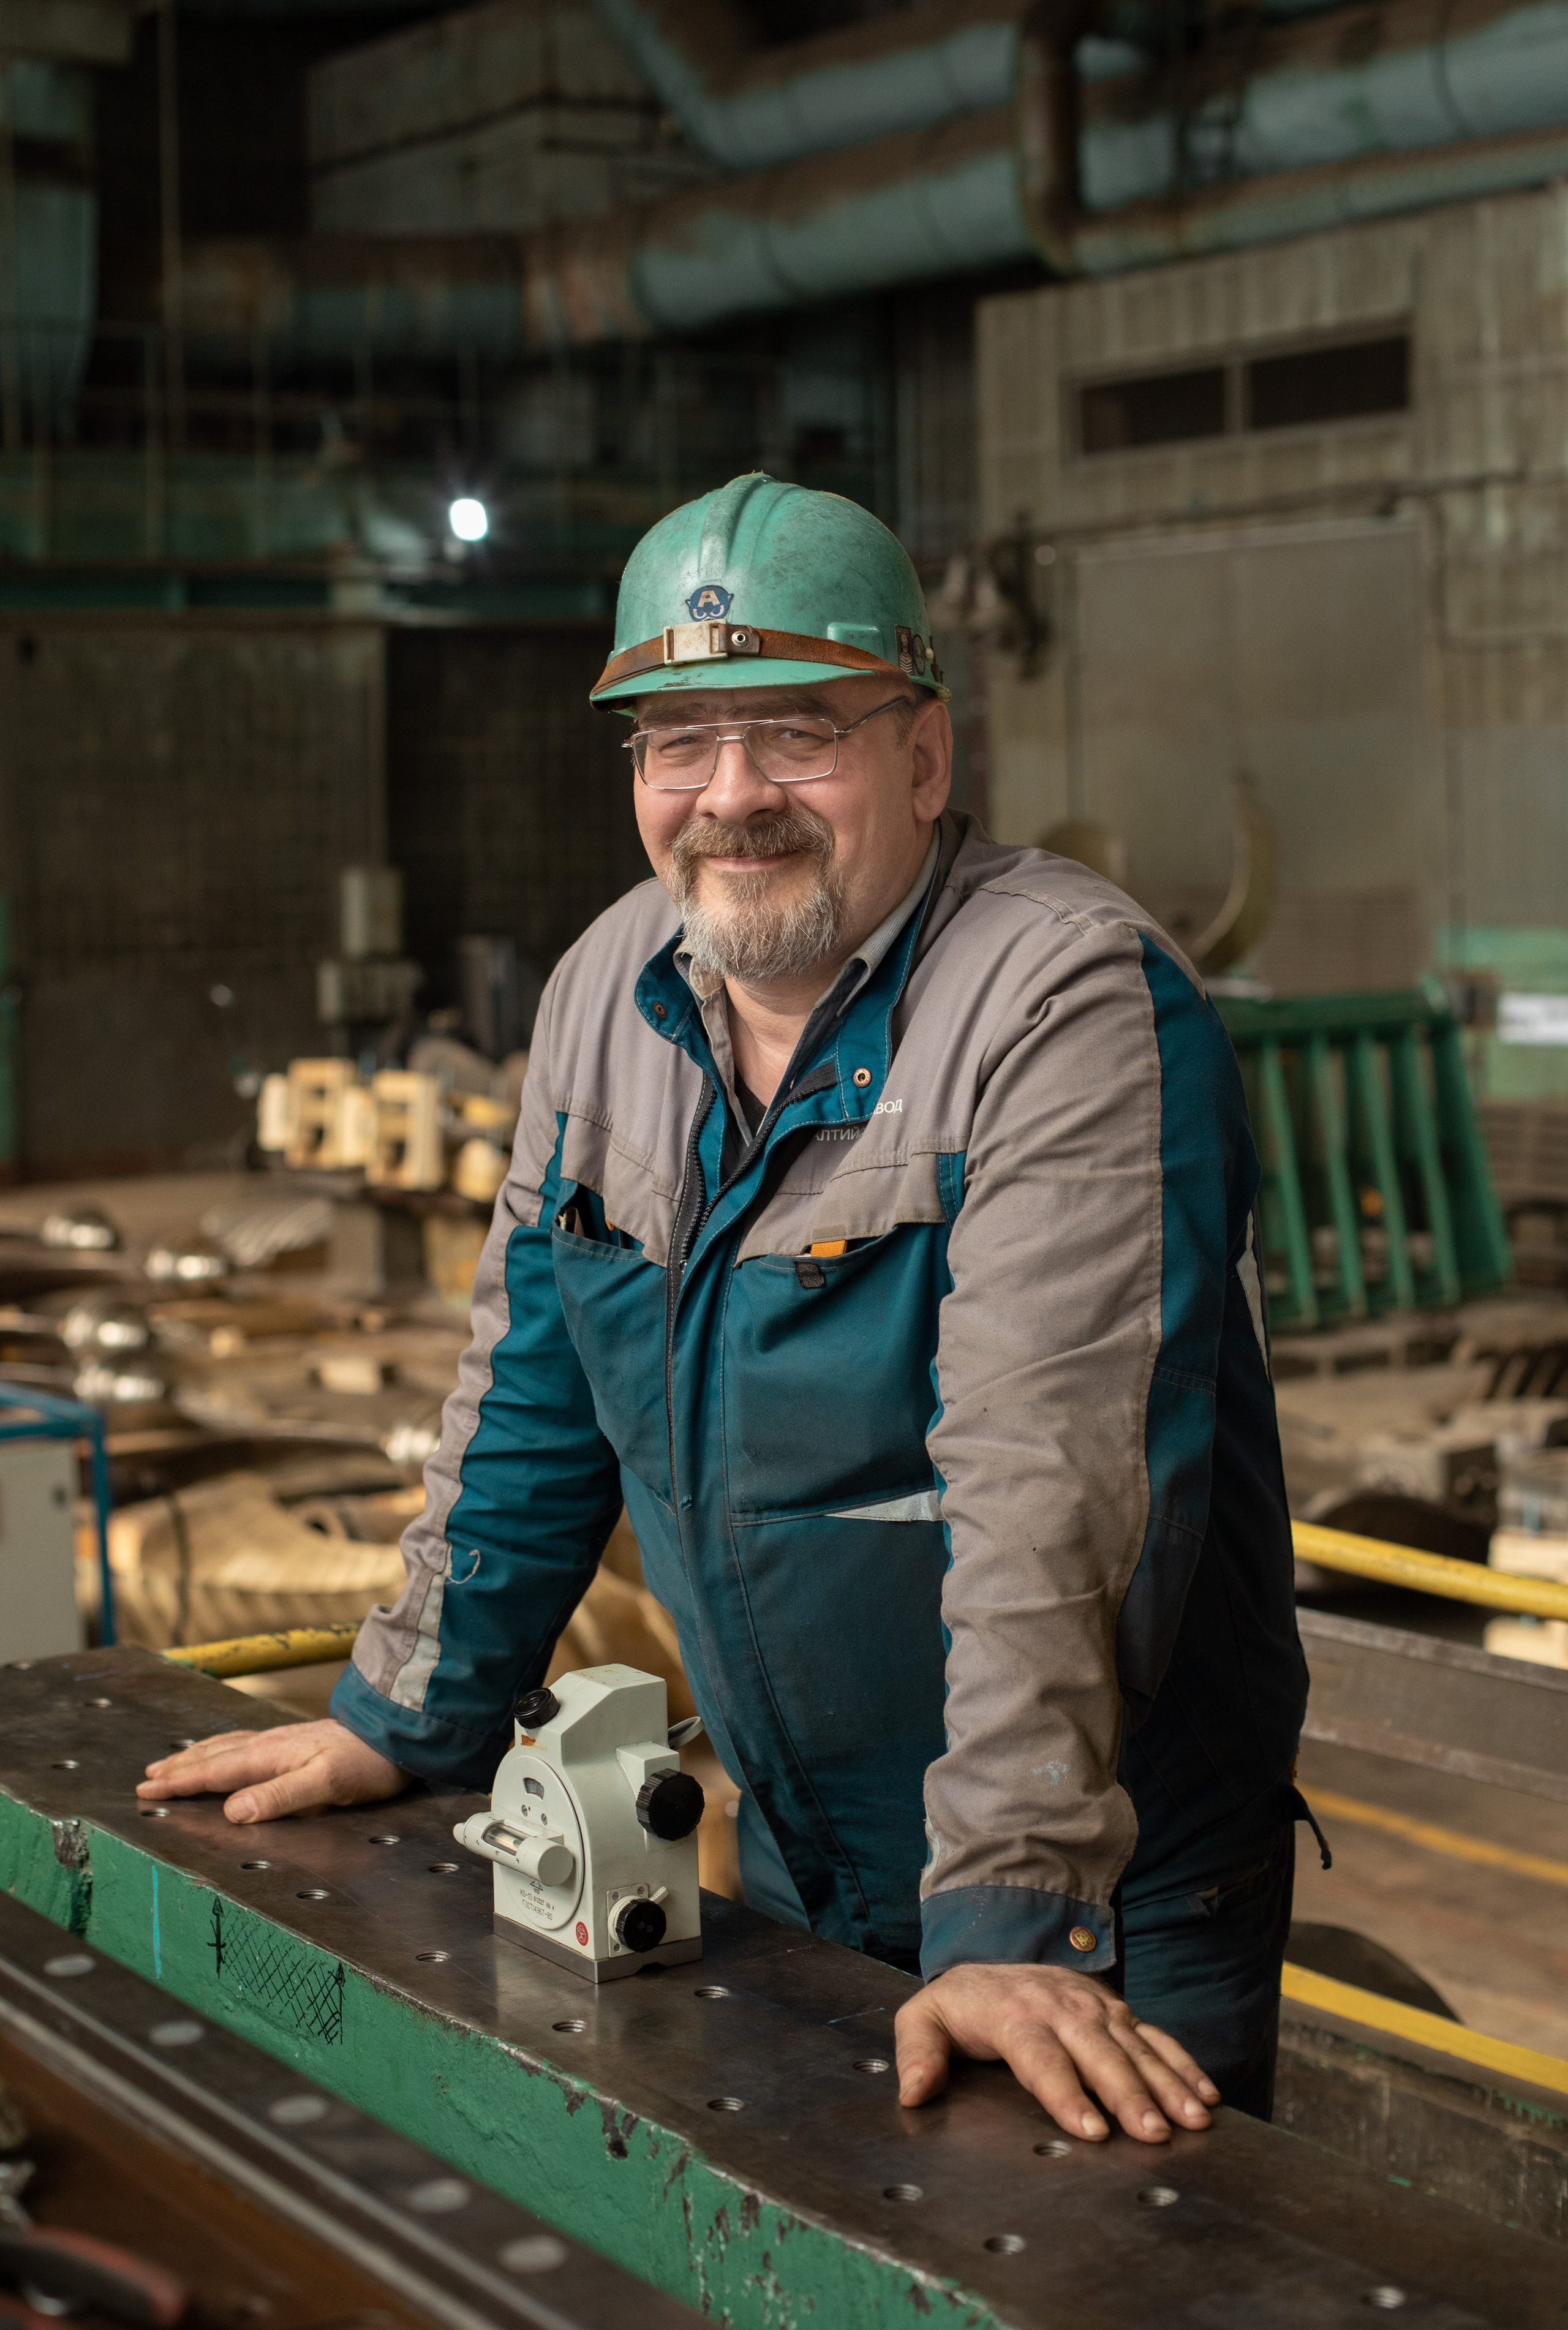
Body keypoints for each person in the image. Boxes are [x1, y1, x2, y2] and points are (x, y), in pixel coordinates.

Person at [141, 473, 1310, 2144]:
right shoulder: (608, 994)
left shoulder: (1067, 1006)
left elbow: (1055, 1491)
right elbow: (530, 1397)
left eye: (796, 735)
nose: (730, 798)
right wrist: (408, 1711)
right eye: (675, 744)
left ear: (924, 753)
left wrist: (1009, 1911)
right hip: (795, 1847)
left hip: (1094, 1897)